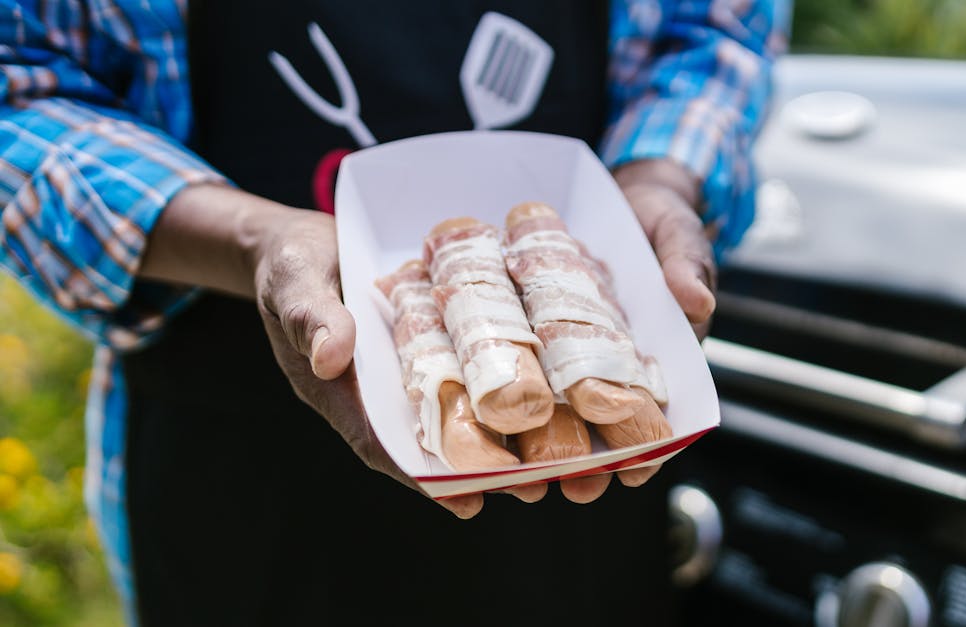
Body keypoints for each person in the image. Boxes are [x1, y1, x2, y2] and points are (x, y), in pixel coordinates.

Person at [0, 1, 783, 624]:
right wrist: (252, 238)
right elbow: (19, 87)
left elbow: (708, 33)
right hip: (239, 462)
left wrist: (659, 177)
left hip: (587, 499)